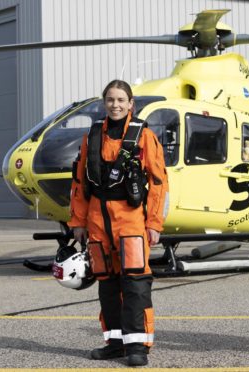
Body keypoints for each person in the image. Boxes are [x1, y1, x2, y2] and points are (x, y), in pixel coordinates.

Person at [68, 79, 169, 367]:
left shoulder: (144, 136)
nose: (115, 105)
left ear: (130, 104)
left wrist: (154, 223)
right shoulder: (92, 136)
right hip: (98, 217)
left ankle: (138, 345)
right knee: (107, 281)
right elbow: (79, 181)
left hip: (130, 216)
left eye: (121, 100)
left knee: (135, 281)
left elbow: (159, 182)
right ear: (105, 103)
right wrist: (78, 220)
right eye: (110, 100)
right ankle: (114, 342)